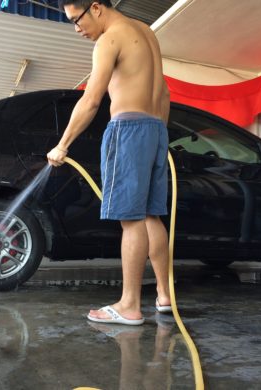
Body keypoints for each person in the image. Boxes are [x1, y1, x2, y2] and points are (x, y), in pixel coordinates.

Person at [47, 0, 172, 325]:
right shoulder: (145, 32)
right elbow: (166, 94)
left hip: (128, 129)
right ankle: (164, 295)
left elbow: (91, 100)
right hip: (156, 129)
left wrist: (63, 145)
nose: (77, 29)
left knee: (130, 219)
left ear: (96, 7)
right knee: (150, 216)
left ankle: (130, 305)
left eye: (77, 20)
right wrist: (156, 133)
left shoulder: (110, 39)